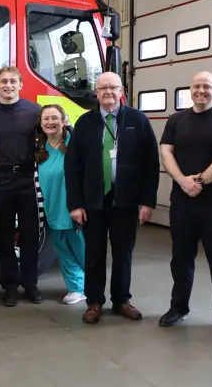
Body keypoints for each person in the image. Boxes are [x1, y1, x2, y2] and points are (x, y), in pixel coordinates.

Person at [65, 71, 159, 324]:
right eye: (103, 88)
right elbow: (73, 166)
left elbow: (151, 164)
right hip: (93, 200)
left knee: (123, 252)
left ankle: (121, 300)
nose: (108, 92)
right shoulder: (85, 123)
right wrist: (75, 204)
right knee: (94, 253)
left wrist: (147, 201)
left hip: (126, 200)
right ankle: (94, 302)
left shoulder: (138, 120)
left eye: (113, 87)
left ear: (121, 91)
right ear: (96, 93)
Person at [159, 71, 212, 339]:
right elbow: (166, 152)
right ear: (190, 89)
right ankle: (178, 307)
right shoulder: (176, 119)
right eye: (196, 86)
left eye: (207, 86)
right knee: (181, 259)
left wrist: (200, 181)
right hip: (182, 202)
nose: (201, 90)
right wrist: (182, 180)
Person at [0, 66, 43, 307]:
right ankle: (9, 287)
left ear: (20, 85)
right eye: (3, 81)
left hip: (28, 178)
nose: (8, 85)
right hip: (2, 179)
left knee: (31, 234)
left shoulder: (35, 111)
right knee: (4, 235)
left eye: (12, 81)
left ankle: (30, 285)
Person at [36, 104, 86, 305]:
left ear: (64, 121)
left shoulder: (75, 144)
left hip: (73, 208)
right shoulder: (40, 149)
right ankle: (76, 288)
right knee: (63, 252)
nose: (50, 122)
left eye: (54, 118)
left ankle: (93, 285)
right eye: (46, 119)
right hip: (51, 209)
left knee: (82, 250)